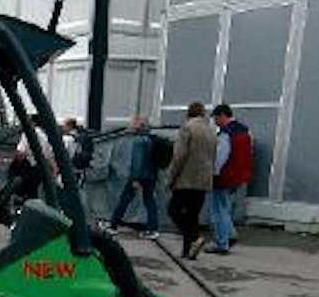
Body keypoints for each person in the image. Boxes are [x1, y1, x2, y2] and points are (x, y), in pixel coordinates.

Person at [166, 102, 216, 259]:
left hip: (186, 179)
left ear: (189, 112)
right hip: (203, 180)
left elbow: (179, 156)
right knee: (192, 215)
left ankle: (195, 238)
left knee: (173, 211)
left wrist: (171, 178)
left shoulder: (187, 128)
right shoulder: (211, 130)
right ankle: (187, 251)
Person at [103, 116, 159, 239]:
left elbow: (137, 161)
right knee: (150, 201)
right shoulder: (152, 139)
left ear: (139, 127)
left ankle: (113, 225)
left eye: (134, 124)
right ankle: (153, 229)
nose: (131, 126)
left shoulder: (138, 141)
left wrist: (135, 178)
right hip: (151, 175)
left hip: (139, 176)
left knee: (124, 200)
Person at [209, 103, 252, 255]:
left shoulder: (226, 134)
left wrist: (213, 173)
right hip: (238, 176)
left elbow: (220, 157)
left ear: (222, 116)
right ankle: (231, 235)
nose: (215, 122)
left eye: (215, 119)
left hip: (224, 176)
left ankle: (222, 243)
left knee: (218, 209)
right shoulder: (244, 131)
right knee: (225, 207)